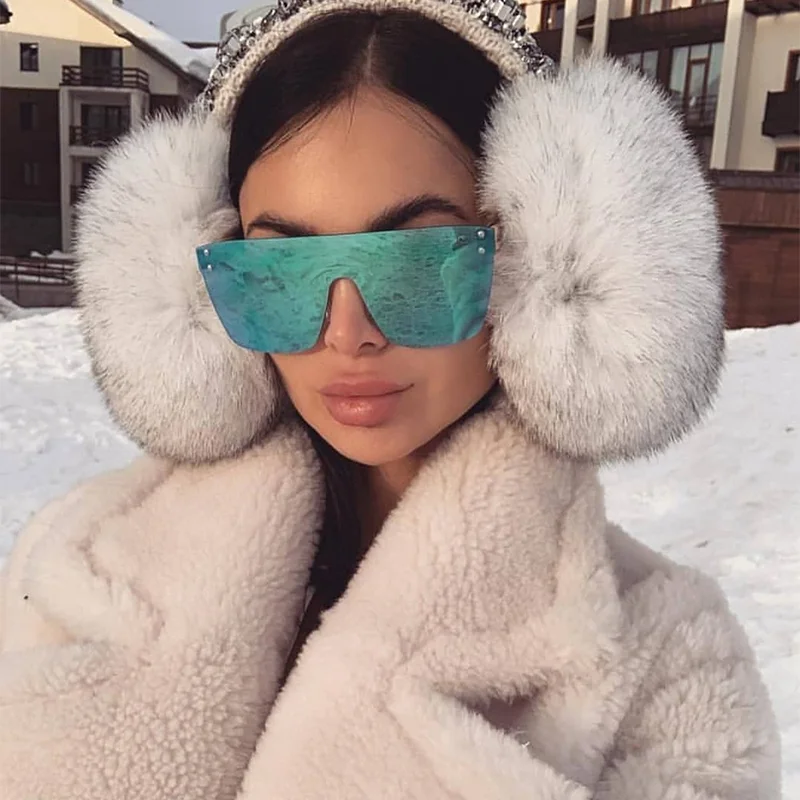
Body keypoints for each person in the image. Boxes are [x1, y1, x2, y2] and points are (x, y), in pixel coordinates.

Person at [0, 1, 781, 798]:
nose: (348, 333)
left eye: (416, 264)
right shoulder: (78, 561)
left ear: (542, 265)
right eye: (282, 270)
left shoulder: (667, 659)